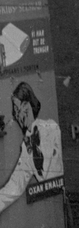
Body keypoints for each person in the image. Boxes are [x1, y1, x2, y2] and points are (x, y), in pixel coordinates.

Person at [0, 82, 63, 220]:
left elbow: (49, 170)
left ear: (26, 106)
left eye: (17, 109)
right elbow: (14, 187)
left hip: (60, 199)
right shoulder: (25, 147)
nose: (15, 115)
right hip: (51, 199)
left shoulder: (50, 127)